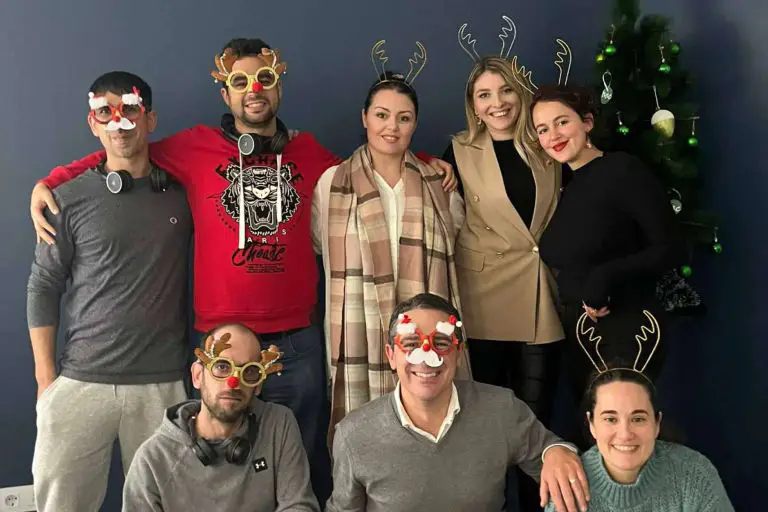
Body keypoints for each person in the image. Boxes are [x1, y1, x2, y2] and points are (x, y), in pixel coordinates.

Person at [27, 38, 455, 504]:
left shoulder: (308, 152)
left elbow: (367, 165)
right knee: (219, 473)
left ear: (278, 88)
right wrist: (54, 180)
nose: (254, 89)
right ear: (225, 93)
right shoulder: (193, 147)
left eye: (264, 79)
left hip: (295, 344)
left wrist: (424, 161)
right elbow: (126, 148)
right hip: (219, 345)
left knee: (303, 463)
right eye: (240, 81)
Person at [26, 71, 191, 512]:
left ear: (149, 119)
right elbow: (43, 285)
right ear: (93, 122)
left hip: (162, 385)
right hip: (79, 382)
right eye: (105, 112)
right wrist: (46, 383)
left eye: (130, 110)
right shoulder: (64, 199)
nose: (119, 122)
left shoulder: (183, 195)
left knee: (163, 505)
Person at [312, 42, 468, 430]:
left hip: (427, 337)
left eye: (404, 118)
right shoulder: (331, 183)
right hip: (359, 337)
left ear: (415, 124)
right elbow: (320, 246)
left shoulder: (439, 185)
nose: (391, 127)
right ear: (364, 117)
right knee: (366, 436)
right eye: (382, 115)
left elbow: (455, 243)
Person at [326, 293, 591, 512]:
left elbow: (551, 453)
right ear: (391, 356)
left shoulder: (500, 409)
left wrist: (556, 451)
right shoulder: (354, 434)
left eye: (441, 342)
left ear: (458, 353)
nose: (426, 354)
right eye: (411, 343)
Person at [442, 48, 565, 508]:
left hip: (538, 295)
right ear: (473, 105)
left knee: (536, 427)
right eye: (484, 95)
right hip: (484, 297)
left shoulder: (548, 143)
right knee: (487, 428)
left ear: (521, 94)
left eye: (506, 90)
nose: (497, 103)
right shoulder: (457, 151)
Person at [532, 84, 683, 432]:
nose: (553, 135)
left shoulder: (622, 170)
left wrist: (605, 277)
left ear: (587, 122)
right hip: (580, 334)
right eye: (542, 129)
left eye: (562, 122)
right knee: (594, 437)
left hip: (629, 325)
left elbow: (672, 247)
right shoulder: (566, 187)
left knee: (624, 434)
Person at [123, 323, 319, 511]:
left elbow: (298, 505)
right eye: (222, 367)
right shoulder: (153, 459)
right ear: (197, 376)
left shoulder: (278, 424)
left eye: (249, 371)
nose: (233, 382)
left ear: (258, 384)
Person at [545, 320, 734, 511]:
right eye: (610, 419)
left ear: (657, 423)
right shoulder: (567, 488)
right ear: (591, 424)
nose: (625, 434)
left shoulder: (694, 474)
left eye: (638, 419)